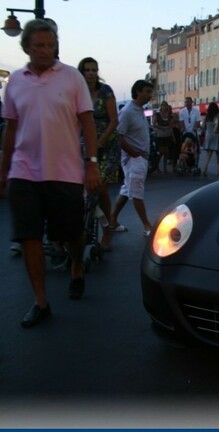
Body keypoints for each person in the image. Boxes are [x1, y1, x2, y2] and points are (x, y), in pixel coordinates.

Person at [0, 19, 100, 326]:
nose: (45, 51)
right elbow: (10, 128)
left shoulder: (71, 77)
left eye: (50, 45)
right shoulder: (16, 81)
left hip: (64, 171)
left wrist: (92, 162)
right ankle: (40, 301)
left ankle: (77, 266)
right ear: (26, 47)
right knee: (29, 236)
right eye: (39, 45)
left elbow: (87, 122)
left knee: (70, 233)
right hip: (24, 171)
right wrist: (3, 170)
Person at [78, 57, 119, 251]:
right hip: (84, 146)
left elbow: (114, 121)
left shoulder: (105, 91)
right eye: (87, 69)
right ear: (82, 72)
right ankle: (86, 226)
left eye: (94, 69)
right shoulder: (77, 91)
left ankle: (107, 230)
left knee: (100, 188)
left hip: (107, 147)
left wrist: (100, 142)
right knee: (85, 190)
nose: (91, 73)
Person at [110, 80, 154, 237]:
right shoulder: (128, 111)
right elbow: (119, 136)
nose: (150, 95)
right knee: (136, 192)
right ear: (139, 91)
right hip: (134, 159)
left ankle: (112, 220)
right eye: (148, 91)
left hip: (139, 157)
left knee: (128, 189)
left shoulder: (139, 110)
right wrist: (134, 153)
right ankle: (147, 225)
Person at [153, 101, 176, 173]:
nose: (165, 107)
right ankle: (156, 167)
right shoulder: (157, 115)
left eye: (166, 106)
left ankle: (165, 168)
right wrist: (161, 127)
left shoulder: (169, 115)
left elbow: (171, 126)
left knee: (166, 152)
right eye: (163, 106)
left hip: (167, 135)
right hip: (160, 135)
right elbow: (153, 124)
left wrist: (173, 136)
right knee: (161, 152)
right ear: (161, 107)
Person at [201, 102, 219, 177]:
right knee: (218, 155)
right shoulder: (217, 117)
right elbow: (218, 126)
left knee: (208, 155)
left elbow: (202, 126)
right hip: (217, 136)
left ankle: (205, 169)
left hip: (208, 136)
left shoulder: (206, 117)